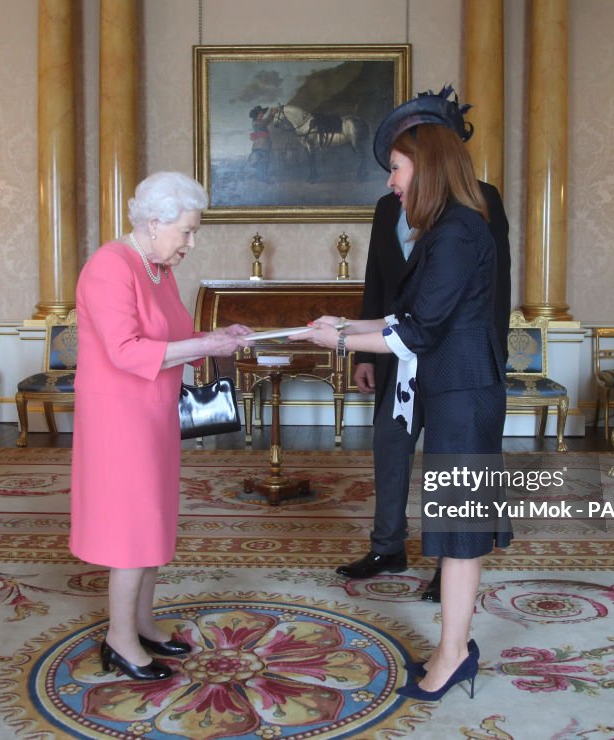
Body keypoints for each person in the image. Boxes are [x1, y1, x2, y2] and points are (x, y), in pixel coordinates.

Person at [299, 90, 512, 701]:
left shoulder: (457, 233)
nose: (391, 181)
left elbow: (417, 330)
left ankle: (453, 655)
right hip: (449, 385)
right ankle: (454, 646)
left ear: (427, 165)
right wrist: (341, 331)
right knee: (453, 522)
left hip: (461, 391)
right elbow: (407, 317)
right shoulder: (446, 227)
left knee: (459, 527)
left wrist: (342, 340)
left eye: (396, 167)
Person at [70, 171, 251, 681]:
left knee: (151, 518)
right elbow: (126, 351)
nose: (191, 244)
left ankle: (144, 623)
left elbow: (170, 335)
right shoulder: (110, 266)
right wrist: (203, 347)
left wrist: (213, 336)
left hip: (154, 411)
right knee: (129, 526)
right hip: (119, 416)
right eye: (186, 232)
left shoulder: (157, 268)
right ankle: (120, 638)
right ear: (154, 223)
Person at [338, 87, 512, 604]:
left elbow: (491, 288)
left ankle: (450, 563)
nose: (390, 179)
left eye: (396, 165)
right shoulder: (387, 207)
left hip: (450, 356)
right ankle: (387, 547)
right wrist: (364, 349)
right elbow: (378, 282)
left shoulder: (474, 210)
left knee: (454, 462)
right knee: (391, 448)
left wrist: (487, 359)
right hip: (399, 347)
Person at [248, 105, 277, 181]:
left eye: (262, 113)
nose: (262, 114)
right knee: (262, 161)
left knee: (264, 161)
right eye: (260, 113)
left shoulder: (258, 122)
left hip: (263, 145)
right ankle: (264, 178)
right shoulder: (256, 123)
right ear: (256, 115)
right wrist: (272, 114)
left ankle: (263, 177)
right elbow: (265, 122)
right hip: (260, 145)